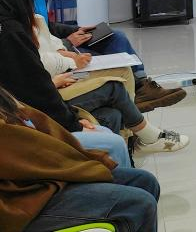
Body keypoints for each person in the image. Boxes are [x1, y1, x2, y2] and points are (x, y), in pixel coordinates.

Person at [0, 0, 188, 154]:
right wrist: (74, 123)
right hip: (34, 105)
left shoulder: (13, 23)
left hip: (47, 82)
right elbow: (37, 89)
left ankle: (137, 118)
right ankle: (145, 135)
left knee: (112, 111)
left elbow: (42, 48)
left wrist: (69, 39)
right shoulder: (11, 32)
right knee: (114, 85)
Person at [15, 0, 185, 112]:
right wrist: (67, 42)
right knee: (107, 60)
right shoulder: (19, 3)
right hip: (58, 51)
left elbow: (47, 26)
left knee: (116, 37)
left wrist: (76, 30)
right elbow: (37, 45)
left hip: (61, 44)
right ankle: (133, 96)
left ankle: (142, 85)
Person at [0, 86, 161, 232]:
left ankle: (148, 136)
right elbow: (27, 149)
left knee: (145, 181)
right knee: (140, 203)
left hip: (41, 179)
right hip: (18, 199)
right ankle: (148, 136)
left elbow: (38, 123)